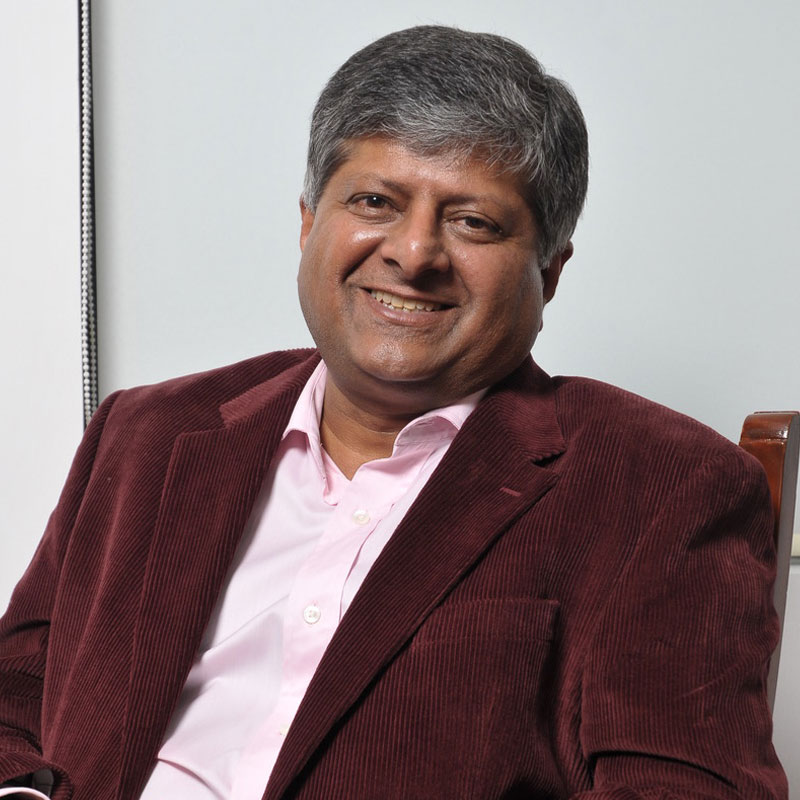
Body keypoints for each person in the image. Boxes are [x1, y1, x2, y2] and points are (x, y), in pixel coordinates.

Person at [0, 25, 787, 800]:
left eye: (472, 221)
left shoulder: (661, 487)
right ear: (309, 222)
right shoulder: (149, 432)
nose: (414, 254)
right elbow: (17, 690)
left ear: (549, 270)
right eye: (375, 201)